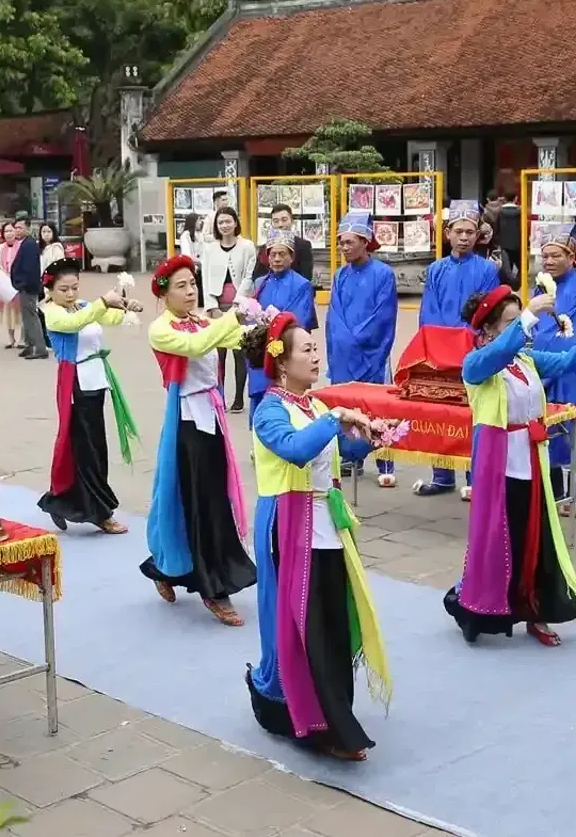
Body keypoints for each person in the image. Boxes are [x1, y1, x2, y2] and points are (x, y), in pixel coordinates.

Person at [245, 313, 392, 762]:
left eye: (315, 348)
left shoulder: (314, 406)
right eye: (306, 349)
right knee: (306, 628)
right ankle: (318, 724)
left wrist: (370, 437)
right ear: (280, 362)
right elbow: (295, 449)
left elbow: (338, 451)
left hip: (325, 525)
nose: (315, 356)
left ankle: (334, 715)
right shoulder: (269, 410)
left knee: (331, 622)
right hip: (289, 527)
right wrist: (338, 417)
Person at [442, 283, 576, 646]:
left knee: (536, 539)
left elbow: (567, 361)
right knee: (497, 541)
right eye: (511, 321)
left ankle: (537, 611)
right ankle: (473, 607)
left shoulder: (526, 361)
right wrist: (531, 314)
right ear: (488, 329)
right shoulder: (477, 365)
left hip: (532, 460)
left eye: (519, 319)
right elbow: (499, 352)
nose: (521, 327)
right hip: (498, 465)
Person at [143, 255, 257, 626]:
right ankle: (213, 587)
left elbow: (232, 337)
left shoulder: (201, 320)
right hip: (187, 422)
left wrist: (264, 328)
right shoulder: (161, 329)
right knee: (198, 501)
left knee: (207, 499)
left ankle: (167, 568)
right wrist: (233, 316)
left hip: (212, 416)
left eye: (192, 283)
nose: (190, 291)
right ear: (164, 294)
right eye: (181, 286)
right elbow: (197, 345)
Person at [39, 257, 142, 534]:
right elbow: (74, 323)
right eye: (64, 289)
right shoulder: (52, 312)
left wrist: (124, 306)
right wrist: (103, 301)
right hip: (74, 383)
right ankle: (100, 512)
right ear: (50, 289)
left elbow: (107, 317)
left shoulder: (83, 306)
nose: (70, 294)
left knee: (93, 446)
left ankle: (61, 500)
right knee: (87, 449)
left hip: (96, 380)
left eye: (74, 287)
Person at [415, 200, 499, 497]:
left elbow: (486, 310)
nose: (463, 237)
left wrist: (466, 339)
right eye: (458, 231)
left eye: (469, 232)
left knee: (473, 413)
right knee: (440, 412)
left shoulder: (487, 269)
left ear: (478, 236)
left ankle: (474, 477)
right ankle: (442, 475)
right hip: (439, 352)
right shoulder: (436, 269)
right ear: (447, 233)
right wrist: (437, 343)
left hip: (472, 350)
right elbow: (429, 312)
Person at [529, 223, 576, 517]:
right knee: (547, 426)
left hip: (572, 369)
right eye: (544, 255)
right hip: (541, 365)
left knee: (573, 426)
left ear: (571, 257)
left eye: (555, 255)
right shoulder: (541, 285)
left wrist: (549, 357)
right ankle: (554, 492)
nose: (548, 261)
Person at [326, 212, 398, 488]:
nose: (344, 248)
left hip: (371, 352)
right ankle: (350, 457)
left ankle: (385, 462)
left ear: (365, 242)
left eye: (349, 242)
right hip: (344, 352)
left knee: (376, 404)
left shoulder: (383, 274)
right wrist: (342, 342)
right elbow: (334, 314)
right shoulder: (340, 275)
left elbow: (383, 315)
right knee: (346, 403)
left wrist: (357, 339)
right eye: (341, 243)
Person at [245, 230, 316, 422]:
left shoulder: (302, 285)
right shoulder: (260, 283)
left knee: (287, 407)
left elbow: (299, 321)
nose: (277, 259)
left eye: (282, 254)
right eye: (273, 254)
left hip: (286, 351)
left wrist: (274, 324)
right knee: (261, 404)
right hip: (261, 351)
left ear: (292, 257)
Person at [199, 206, 257, 413]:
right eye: (220, 222)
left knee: (240, 352)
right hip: (216, 307)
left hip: (240, 308)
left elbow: (249, 276)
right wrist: (212, 307)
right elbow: (205, 278)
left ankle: (239, 398)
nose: (224, 225)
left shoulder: (247, 246)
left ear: (235, 222)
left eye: (228, 221)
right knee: (218, 355)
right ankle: (219, 396)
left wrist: (238, 304)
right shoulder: (209, 248)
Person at [10, 220, 49, 359]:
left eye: (20, 228)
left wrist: (22, 284)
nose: (17, 230)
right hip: (25, 287)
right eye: (15, 228)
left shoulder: (30, 245)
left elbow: (30, 269)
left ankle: (40, 348)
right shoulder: (25, 243)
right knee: (26, 318)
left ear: (27, 228)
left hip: (28, 287)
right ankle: (30, 345)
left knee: (31, 317)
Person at [252, 203, 314, 281]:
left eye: (284, 220)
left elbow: (306, 276)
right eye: (276, 221)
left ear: (292, 221)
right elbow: (256, 276)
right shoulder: (265, 248)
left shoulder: (303, 246)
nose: (280, 225)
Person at [0, 222, 23, 348]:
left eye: (11, 231)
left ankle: (22, 338)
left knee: (20, 311)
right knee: (8, 312)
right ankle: (11, 338)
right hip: (6, 282)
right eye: (6, 231)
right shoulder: (1, 247)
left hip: (18, 282)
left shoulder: (21, 246)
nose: (9, 234)